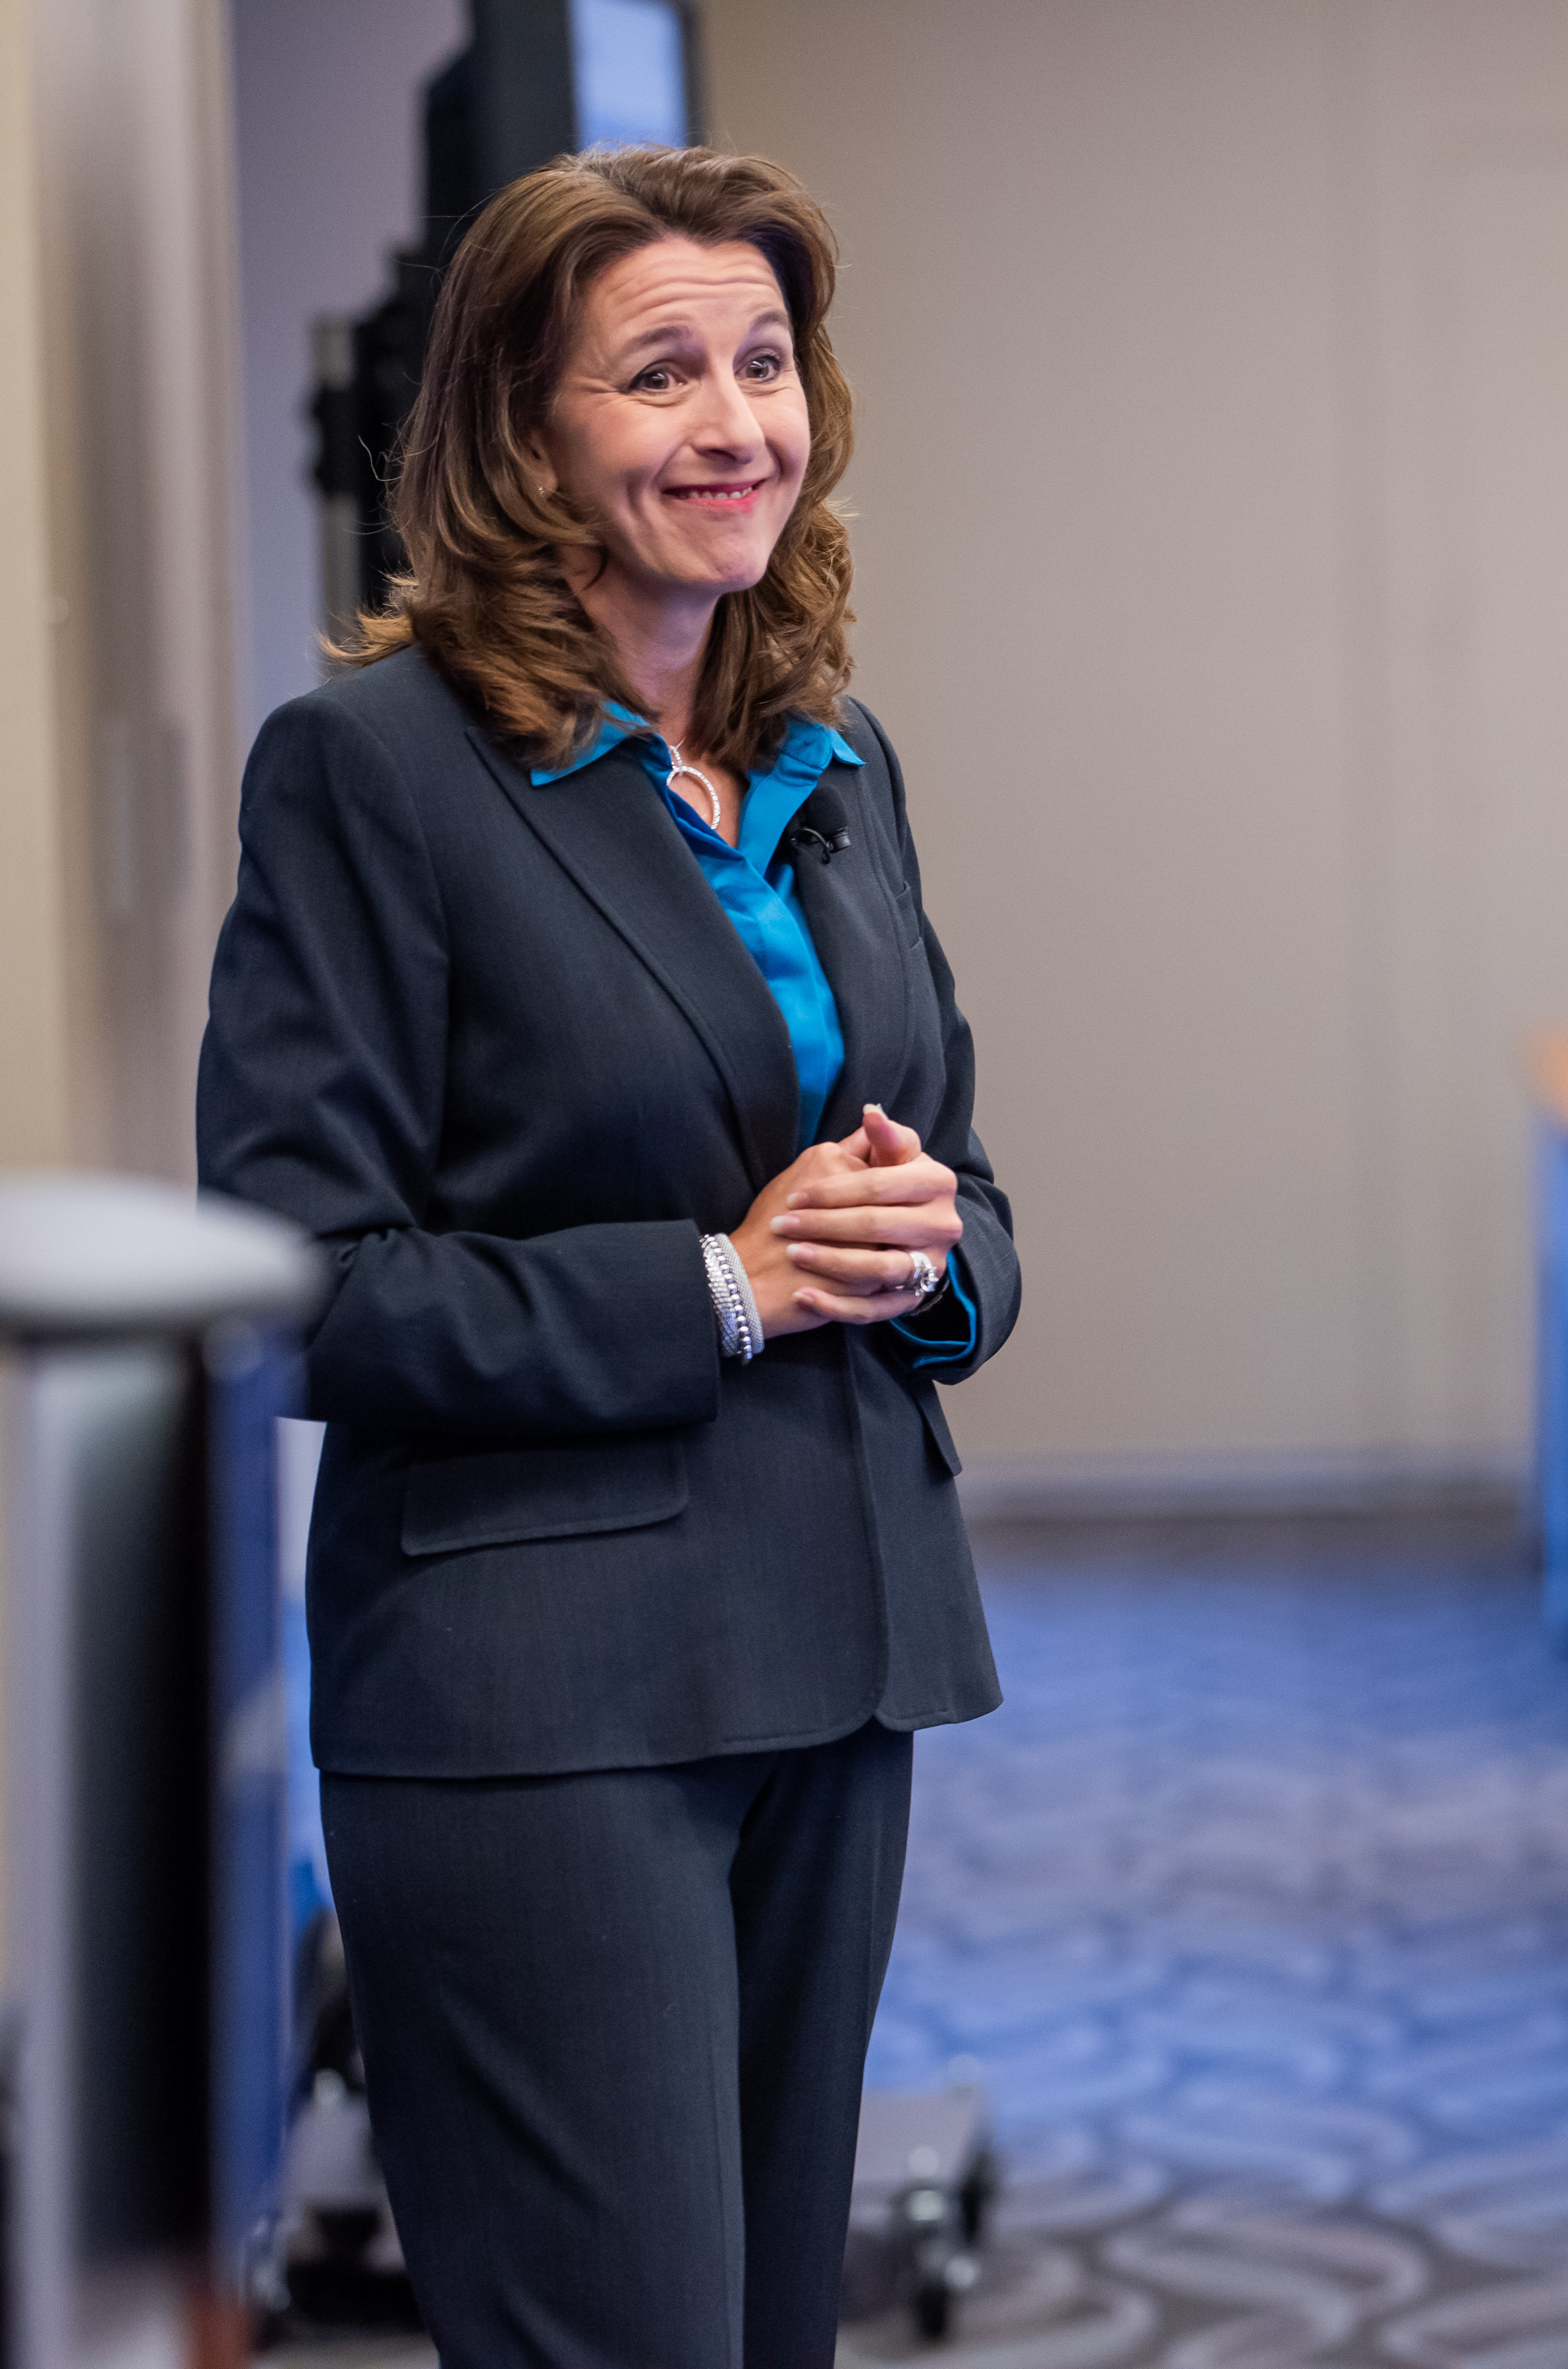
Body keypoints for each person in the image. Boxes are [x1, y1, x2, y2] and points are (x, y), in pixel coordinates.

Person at [196, 148, 1015, 2361]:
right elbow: (296, 1277)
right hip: (539, 1699)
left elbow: (956, 1194)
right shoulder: (374, 772)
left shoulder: (826, 756)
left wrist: (922, 1256)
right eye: (660, 373)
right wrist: (726, 1281)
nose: (734, 420)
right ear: (519, 430)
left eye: (763, 361)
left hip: (834, 1652)